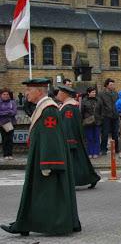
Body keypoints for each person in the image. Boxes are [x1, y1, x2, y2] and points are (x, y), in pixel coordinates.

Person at [1, 78, 80, 236]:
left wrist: (48, 164)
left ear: (39, 91)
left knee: (44, 194)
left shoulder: (48, 109)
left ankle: (43, 224)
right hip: (40, 157)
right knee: (39, 193)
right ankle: (24, 223)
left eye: (29, 90)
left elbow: (51, 137)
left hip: (46, 160)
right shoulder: (43, 107)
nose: (26, 93)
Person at [56, 85, 101, 189]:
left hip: (71, 140)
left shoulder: (68, 108)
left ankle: (75, 181)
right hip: (74, 139)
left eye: (59, 93)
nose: (57, 94)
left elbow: (68, 125)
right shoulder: (68, 106)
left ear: (64, 94)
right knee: (80, 161)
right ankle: (92, 178)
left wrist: (69, 141)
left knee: (76, 162)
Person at [96, 78, 119, 155]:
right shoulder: (101, 94)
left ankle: (116, 149)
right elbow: (99, 106)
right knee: (105, 133)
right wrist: (101, 115)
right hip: (106, 116)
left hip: (115, 116)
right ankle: (103, 149)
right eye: (111, 84)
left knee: (115, 133)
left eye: (113, 84)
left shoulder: (115, 93)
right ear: (106, 85)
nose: (113, 86)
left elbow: (118, 104)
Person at [81, 87, 100, 159]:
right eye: (92, 92)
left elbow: (101, 110)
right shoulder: (84, 101)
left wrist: (100, 118)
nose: (94, 93)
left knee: (97, 137)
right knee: (89, 138)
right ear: (88, 93)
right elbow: (82, 111)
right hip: (88, 122)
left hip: (97, 121)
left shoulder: (98, 100)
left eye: (95, 92)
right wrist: (84, 120)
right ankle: (90, 152)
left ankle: (96, 152)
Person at [0, 88, 17, 160]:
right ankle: (5, 154)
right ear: (1, 95)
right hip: (2, 123)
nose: (6, 95)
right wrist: (8, 112)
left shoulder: (12, 102)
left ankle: (10, 154)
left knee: (10, 139)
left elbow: (14, 112)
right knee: (4, 139)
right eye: (4, 94)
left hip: (11, 123)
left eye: (7, 94)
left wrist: (5, 113)